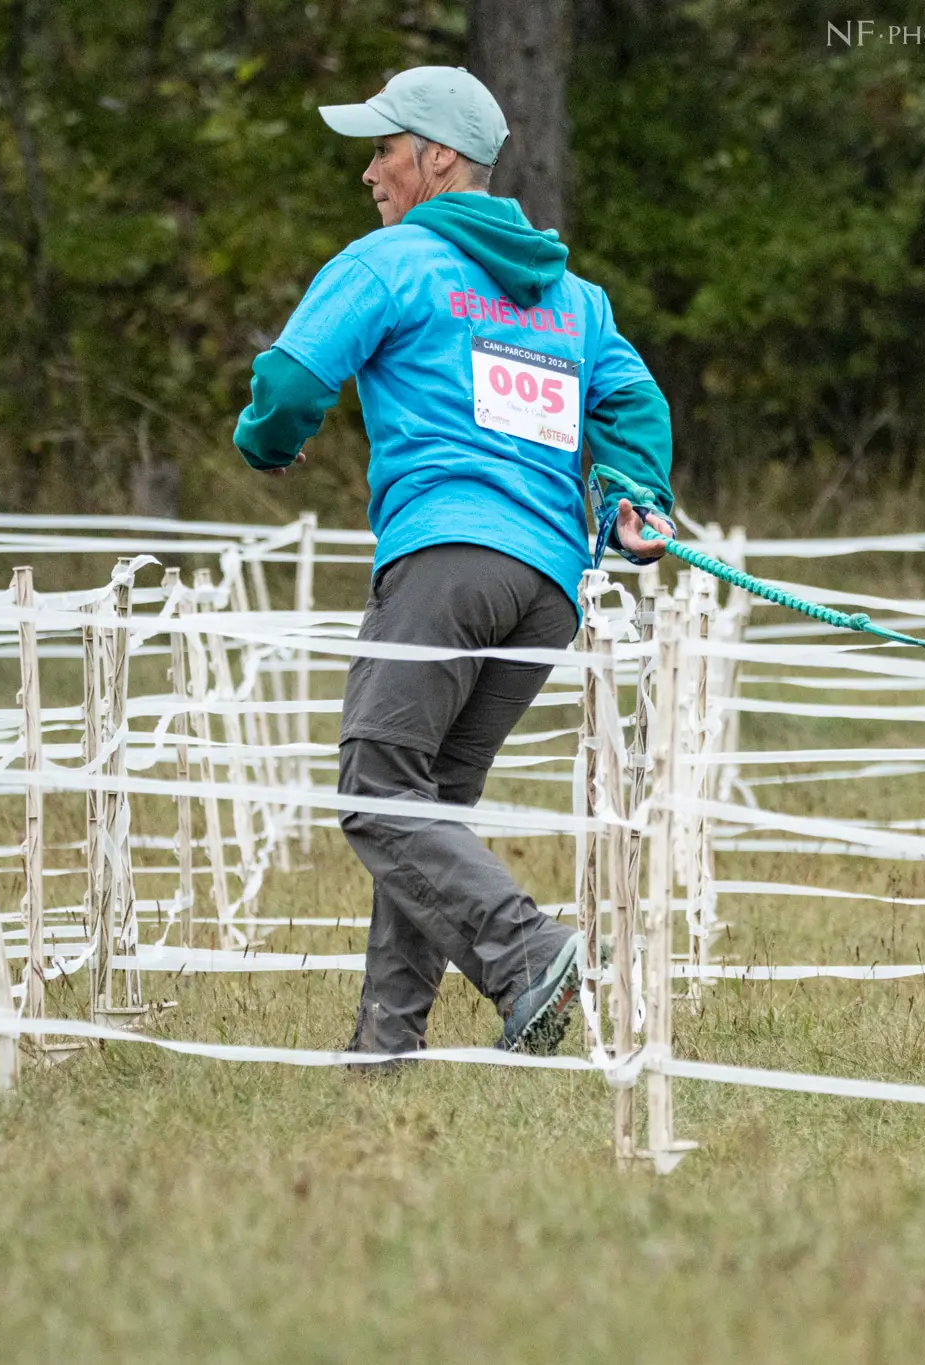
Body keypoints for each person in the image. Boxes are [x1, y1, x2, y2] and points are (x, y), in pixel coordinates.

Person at [232, 65, 675, 1058]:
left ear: (437, 160)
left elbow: (293, 374)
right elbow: (634, 404)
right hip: (545, 591)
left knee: (372, 793)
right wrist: (637, 500)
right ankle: (385, 1046)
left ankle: (526, 954)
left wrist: (266, 439)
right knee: (425, 810)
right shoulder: (575, 298)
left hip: (445, 563)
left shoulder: (396, 262)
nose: (369, 172)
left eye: (384, 149)